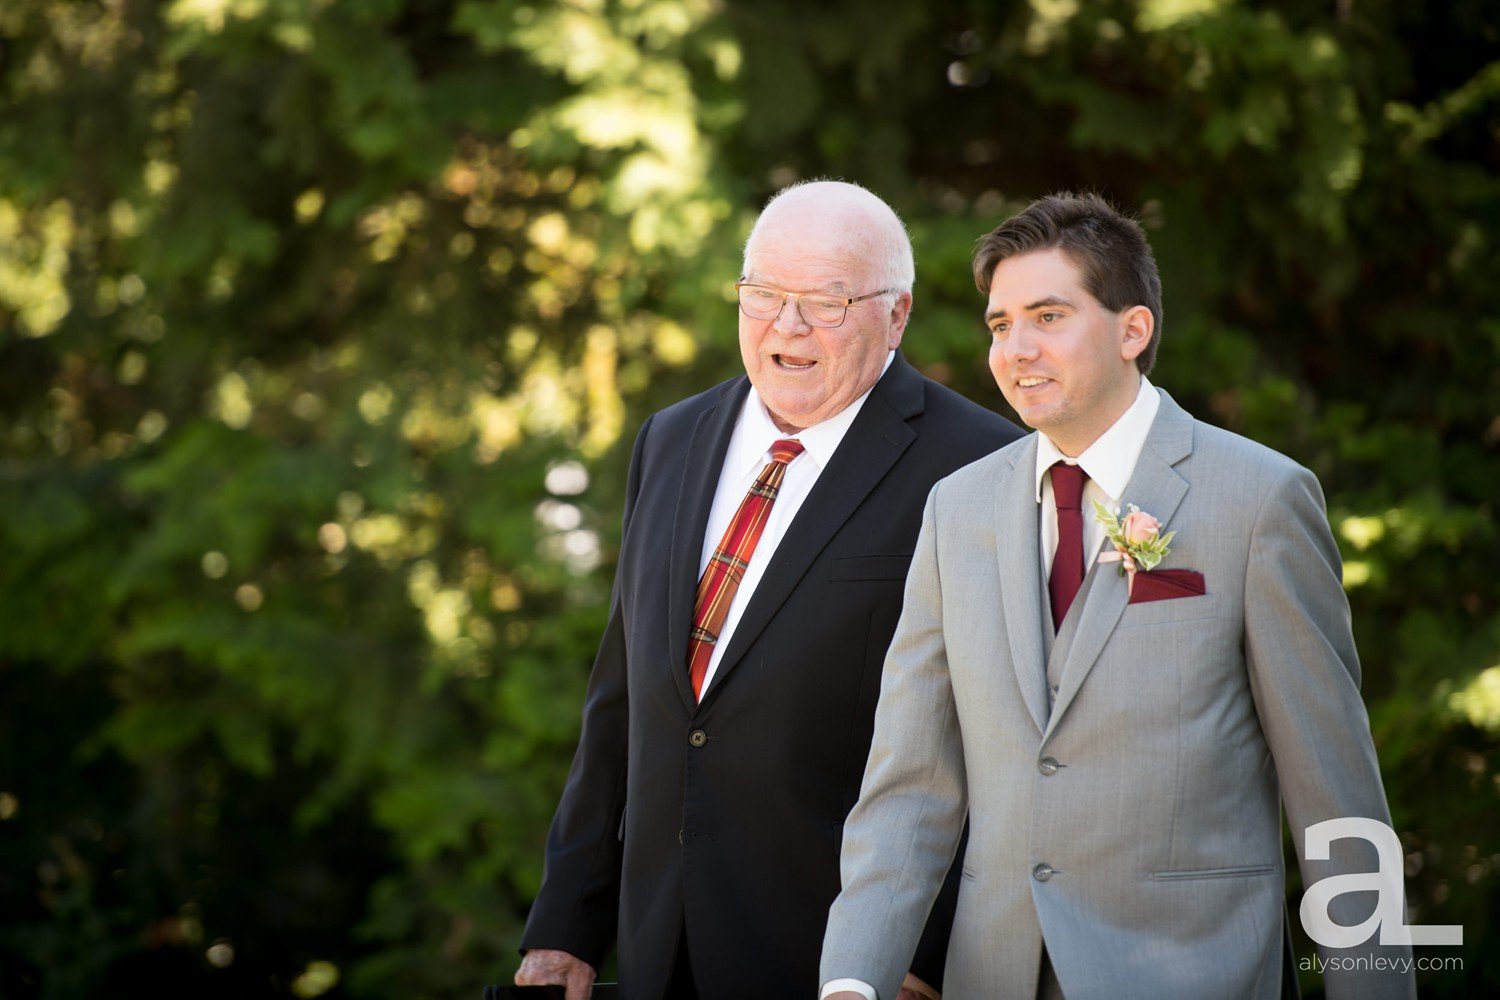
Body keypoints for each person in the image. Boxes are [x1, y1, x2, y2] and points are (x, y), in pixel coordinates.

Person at [820, 193, 1416, 999]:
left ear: (1133, 330)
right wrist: (852, 982)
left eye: (1048, 316)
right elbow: (908, 788)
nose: (1016, 349)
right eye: (1000, 324)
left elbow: (1339, 808)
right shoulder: (955, 511)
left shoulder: (1259, 499)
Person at [514, 180, 1022, 1000]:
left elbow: (996, 754)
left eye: (827, 301)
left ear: (896, 317)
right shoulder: (671, 439)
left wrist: (918, 959)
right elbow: (622, 701)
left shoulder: (978, 466)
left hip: (839, 960)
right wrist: (566, 929)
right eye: (763, 295)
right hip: (656, 952)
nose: (787, 327)